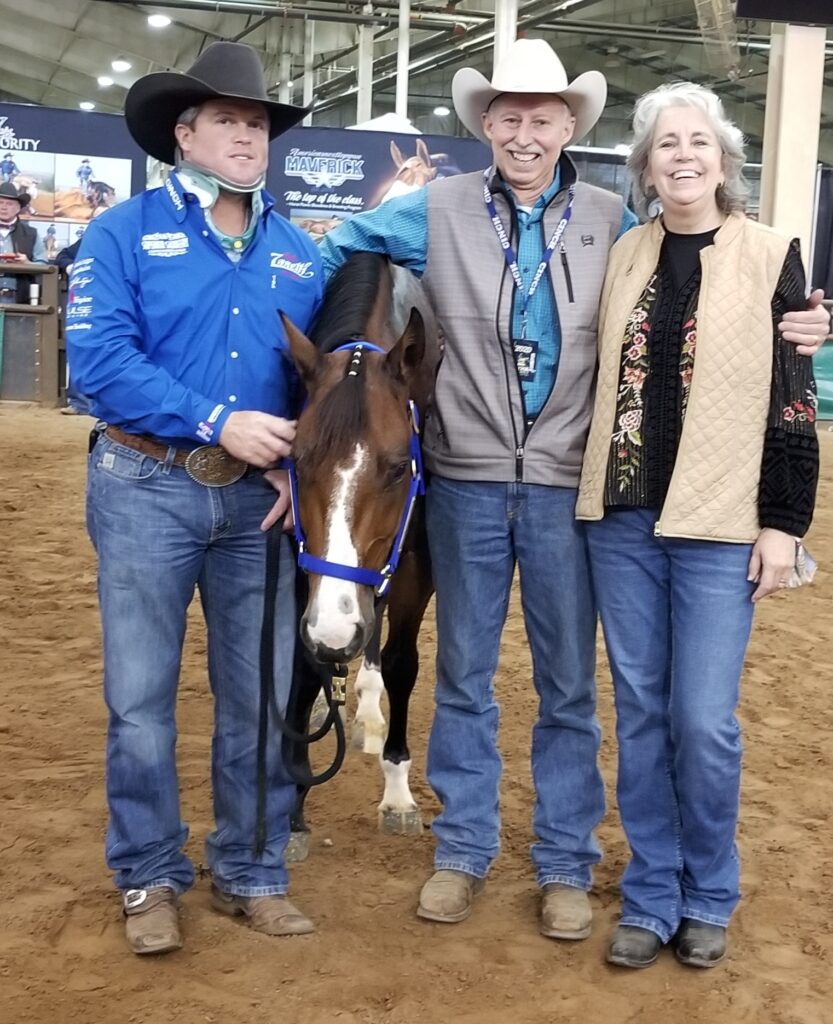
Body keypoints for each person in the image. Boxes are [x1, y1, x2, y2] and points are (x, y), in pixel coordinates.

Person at [318, 38, 830, 940]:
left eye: (542, 118)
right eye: (507, 116)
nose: (524, 133)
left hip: (570, 488)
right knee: (465, 676)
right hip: (470, 481)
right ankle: (464, 849)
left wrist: (800, 322)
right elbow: (332, 247)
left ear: (568, 127)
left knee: (565, 688)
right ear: (485, 123)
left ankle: (564, 860)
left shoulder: (613, 224)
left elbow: (713, 290)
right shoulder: (427, 211)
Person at [66, 42, 324, 955]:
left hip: (256, 505)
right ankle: (147, 875)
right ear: (186, 135)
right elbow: (97, 366)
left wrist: (296, 471)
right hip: (144, 487)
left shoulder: (299, 252)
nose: (248, 136)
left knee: (257, 696)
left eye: (257, 124)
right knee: (140, 698)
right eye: (228, 121)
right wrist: (215, 417)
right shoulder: (122, 233)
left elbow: (318, 388)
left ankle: (252, 870)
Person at [576, 82, 820, 970]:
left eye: (697, 143)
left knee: (701, 719)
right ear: (643, 166)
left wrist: (782, 523)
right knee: (640, 714)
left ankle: (709, 891)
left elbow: (793, 403)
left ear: (722, 160)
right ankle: (649, 893)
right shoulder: (625, 254)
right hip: (622, 516)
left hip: (722, 525)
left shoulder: (769, 255)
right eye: (663, 144)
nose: (681, 156)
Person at [0, 181, 44, 303]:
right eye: (1, 202)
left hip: (19, 301)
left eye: (9, 204)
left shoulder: (32, 234)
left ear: (18, 208)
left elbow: (44, 266)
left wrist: (27, 263)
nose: (3, 207)